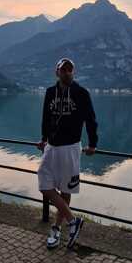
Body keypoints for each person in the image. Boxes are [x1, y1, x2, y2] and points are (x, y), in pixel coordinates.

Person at [37, 57, 98, 249]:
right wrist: (44, 138)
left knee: (65, 190)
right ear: (57, 72)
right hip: (52, 146)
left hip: (71, 147)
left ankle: (56, 229)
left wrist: (93, 144)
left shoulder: (81, 93)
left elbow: (91, 120)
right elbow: (46, 118)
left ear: (74, 72)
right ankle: (73, 221)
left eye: (70, 70)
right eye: (63, 70)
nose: (67, 72)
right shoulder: (50, 93)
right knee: (44, 184)